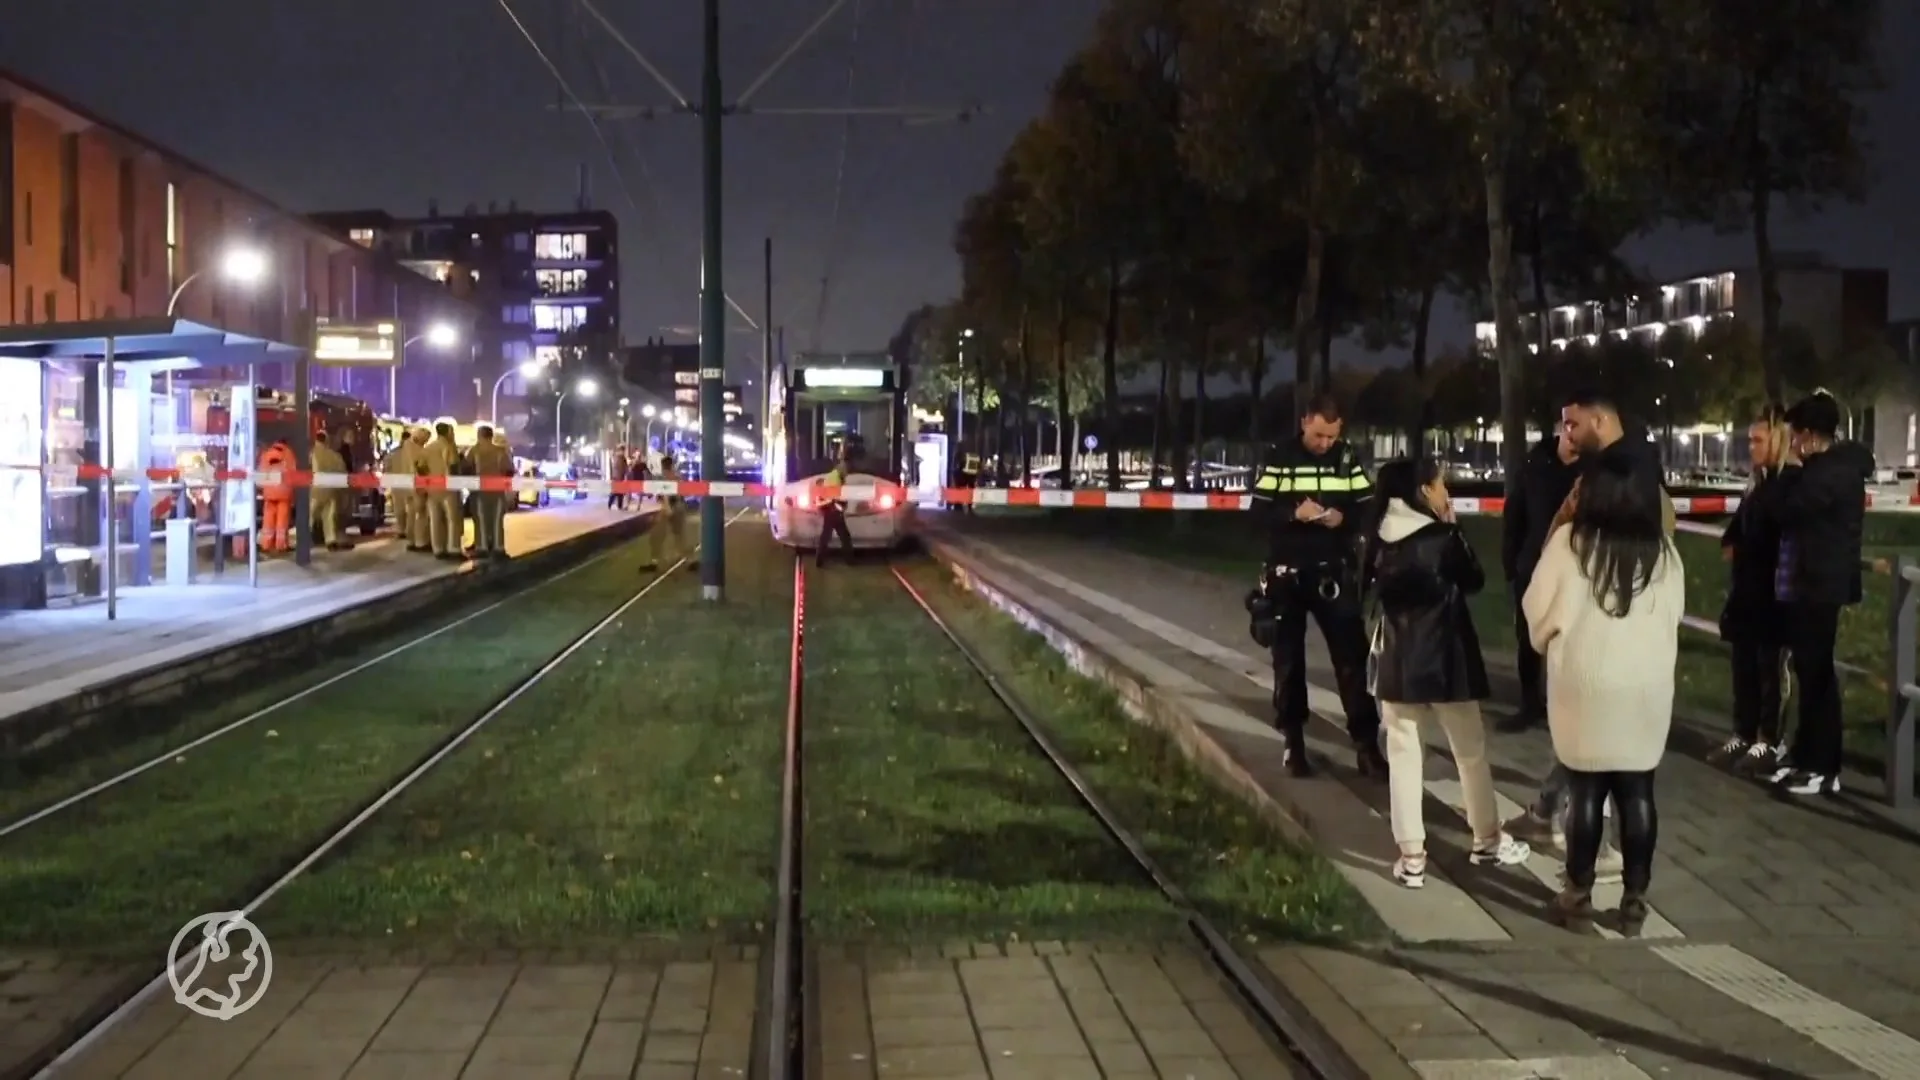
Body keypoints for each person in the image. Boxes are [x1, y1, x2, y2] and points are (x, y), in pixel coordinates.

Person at [1523, 445, 1684, 931]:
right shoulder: (1663, 551)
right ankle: (1635, 898)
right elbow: (1674, 615)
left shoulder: (1571, 544)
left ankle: (1578, 891)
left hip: (1586, 685)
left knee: (1586, 789)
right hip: (1645, 687)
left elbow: (1538, 611)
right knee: (1638, 791)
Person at [1365, 458, 1531, 889]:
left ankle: (1412, 856)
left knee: (1403, 757)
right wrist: (1454, 527)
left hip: (1398, 662)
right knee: (1469, 753)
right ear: (1422, 491)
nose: (1446, 493)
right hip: (1447, 659)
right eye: (1440, 486)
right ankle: (1487, 840)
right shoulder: (1441, 538)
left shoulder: (1376, 539)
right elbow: (1474, 580)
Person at [1247, 394, 1386, 778]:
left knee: (1352, 661)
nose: (1325, 444)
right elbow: (1257, 514)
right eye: (1319, 435)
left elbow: (1368, 507)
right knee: (1288, 661)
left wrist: (1344, 518)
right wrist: (1293, 513)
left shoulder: (1346, 458)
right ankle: (1293, 742)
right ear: (1305, 421)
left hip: (1333, 573)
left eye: (1332, 436)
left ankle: (1366, 745)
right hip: (1287, 573)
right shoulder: (1280, 457)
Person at [1750, 391, 1874, 796]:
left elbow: (1786, 511)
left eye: (1797, 436)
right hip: (1814, 583)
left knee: (1818, 679)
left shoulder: (1829, 474)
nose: (1795, 445)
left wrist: (1775, 480)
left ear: (1808, 435)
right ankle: (1806, 758)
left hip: (1820, 586)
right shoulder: (1825, 471)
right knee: (1810, 675)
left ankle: (1824, 766)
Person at [1712, 407, 1794, 772]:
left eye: (1758, 440)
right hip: (1746, 592)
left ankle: (1769, 739)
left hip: (1773, 595)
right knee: (1743, 665)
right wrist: (1733, 541)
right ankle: (1742, 732)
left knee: (1768, 669)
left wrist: (1744, 546)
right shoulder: (1757, 484)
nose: (1751, 447)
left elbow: (1772, 535)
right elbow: (1740, 528)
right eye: (1749, 440)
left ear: (1776, 441)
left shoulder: (1787, 484)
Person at [1498, 430, 1581, 733]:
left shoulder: (1591, 470)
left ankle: (1566, 707)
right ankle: (1530, 703)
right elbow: (1514, 515)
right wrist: (1512, 563)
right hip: (1532, 565)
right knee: (1528, 636)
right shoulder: (1535, 465)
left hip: (1576, 569)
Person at [640, 456, 697, 574]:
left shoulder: (665, 478)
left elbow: (657, 494)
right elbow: (683, 493)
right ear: (672, 465)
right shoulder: (677, 477)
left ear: (663, 466)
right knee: (680, 536)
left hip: (669, 507)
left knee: (657, 535)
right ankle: (690, 561)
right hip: (677, 507)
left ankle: (654, 561)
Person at [468, 424, 514, 559]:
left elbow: (466, 468)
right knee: (497, 520)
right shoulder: (501, 451)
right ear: (491, 436)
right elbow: (510, 470)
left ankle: (482, 547)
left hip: (479, 492)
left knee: (481, 519)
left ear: (480, 435)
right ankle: (498, 548)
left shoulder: (474, 451)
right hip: (498, 492)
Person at [419, 422, 463, 561]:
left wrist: (427, 481)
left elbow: (420, 467)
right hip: (448, 488)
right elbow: (453, 466)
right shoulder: (449, 446)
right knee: (452, 519)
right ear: (448, 432)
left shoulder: (428, 448)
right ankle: (453, 548)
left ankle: (438, 549)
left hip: (432, 488)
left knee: (435, 519)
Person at [816, 444, 856, 566]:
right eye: (846, 469)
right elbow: (836, 496)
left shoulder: (835, 475)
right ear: (841, 467)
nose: (848, 472)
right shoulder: (836, 478)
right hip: (832, 509)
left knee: (827, 535)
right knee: (843, 536)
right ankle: (849, 561)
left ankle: (820, 560)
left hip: (830, 508)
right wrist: (841, 505)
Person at [310, 430, 350, 552]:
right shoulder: (334, 455)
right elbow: (342, 470)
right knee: (328, 517)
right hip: (331, 490)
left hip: (316, 491)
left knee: (309, 516)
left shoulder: (312, 453)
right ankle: (330, 540)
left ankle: (304, 538)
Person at [256, 437, 295, 553]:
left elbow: (261, 474)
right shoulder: (289, 454)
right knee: (282, 520)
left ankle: (266, 544)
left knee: (268, 519)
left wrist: (263, 489)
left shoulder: (266, 454)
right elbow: (293, 474)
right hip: (284, 493)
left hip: (269, 492)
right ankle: (280, 545)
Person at [382, 428, 419, 544]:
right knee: (411, 508)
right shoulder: (414, 452)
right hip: (410, 483)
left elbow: (386, 468)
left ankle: (401, 529)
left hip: (397, 483)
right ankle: (410, 530)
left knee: (399, 508)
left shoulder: (393, 453)